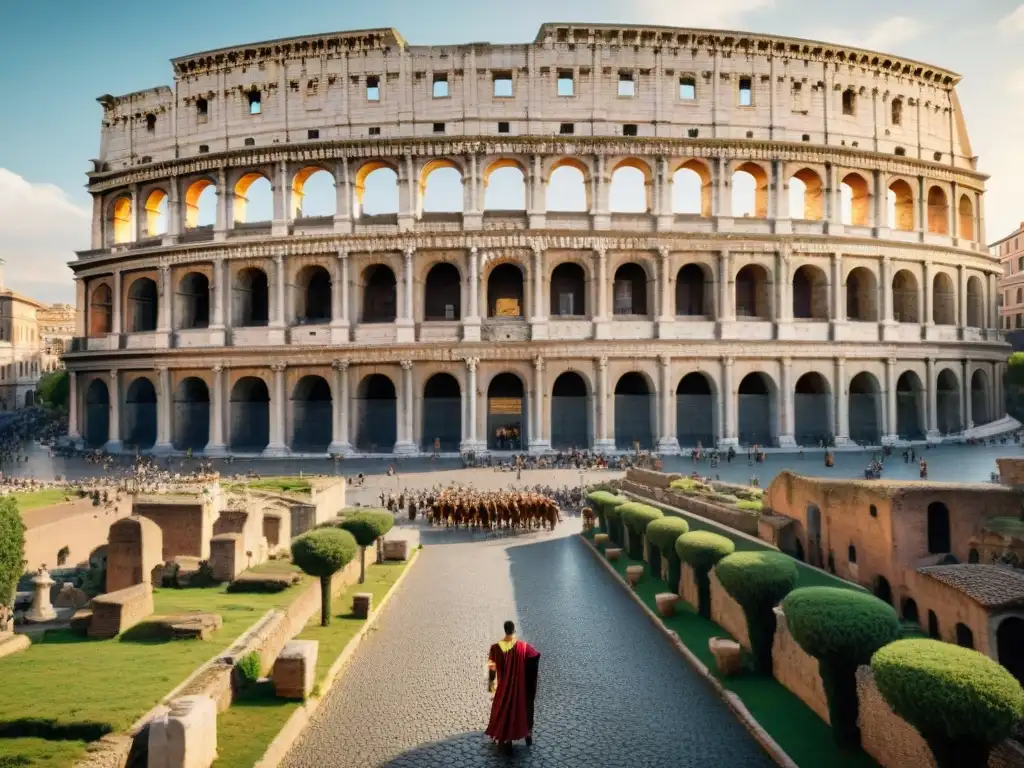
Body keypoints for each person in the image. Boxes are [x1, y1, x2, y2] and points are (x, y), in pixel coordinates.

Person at [486, 620, 540, 754]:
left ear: (505, 631)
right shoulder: (524, 647)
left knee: (501, 709)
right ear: (514, 630)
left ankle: (506, 739)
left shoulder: (495, 647)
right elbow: (534, 656)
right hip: (518, 688)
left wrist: (492, 689)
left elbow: (491, 669)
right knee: (523, 709)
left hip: (503, 689)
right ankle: (527, 735)